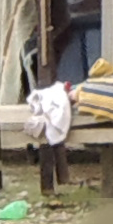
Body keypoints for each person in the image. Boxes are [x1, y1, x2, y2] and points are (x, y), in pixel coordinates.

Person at [29, 65, 78, 198]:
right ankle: (53, 184)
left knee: (49, 138)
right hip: (48, 117)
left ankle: (54, 184)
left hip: (47, 118)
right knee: (49, 139)